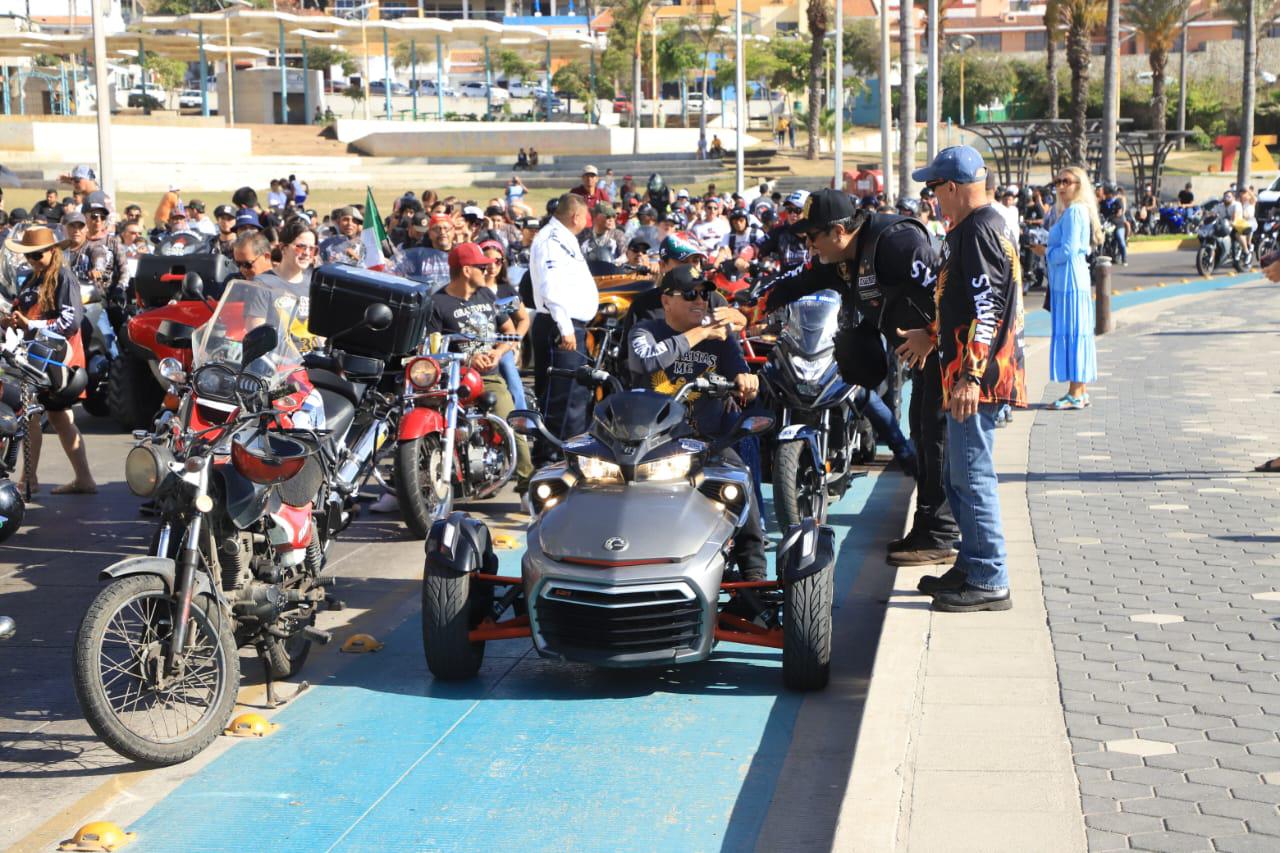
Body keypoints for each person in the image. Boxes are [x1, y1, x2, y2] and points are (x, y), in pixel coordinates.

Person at [766, 188, 950, 565]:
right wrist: (753, 307)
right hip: (921, 353)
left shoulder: (897, 242)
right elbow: (797, 282)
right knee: (922, 429)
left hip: (948, 351)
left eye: (812, 235)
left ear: (837, 231)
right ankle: (928, 527)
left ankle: (941, 535)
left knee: (937, 437)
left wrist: (931, 333)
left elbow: (949, 290)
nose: (808, 243)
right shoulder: (841, 257)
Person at [902, 145, 1026, 612]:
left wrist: (970, 376)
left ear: (952, 187)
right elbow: (964, 304)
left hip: (978, 381)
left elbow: (987, 311)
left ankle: (990, 576)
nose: (932, 198)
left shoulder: (979, 232)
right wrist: (931, 335)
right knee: (960, 477)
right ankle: (972, 565)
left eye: (933, 188)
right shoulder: (976, 230)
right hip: (968, 374)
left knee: (973, 479)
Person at [626, 265, 767, 583]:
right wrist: (702, 331)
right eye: (690, 294)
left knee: (739, 480)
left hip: (707, 444)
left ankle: (754, 576)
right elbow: (647, 361)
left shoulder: (721, 340)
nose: (701, 300)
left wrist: (747, 379)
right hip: (646, 445)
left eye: (705, 293)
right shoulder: (645, 331)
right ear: (666, 301)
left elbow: (740, 371)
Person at [426, 242, 532, 484]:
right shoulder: (437, 304)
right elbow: (432, 350)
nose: (487, 270)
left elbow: (509, 330)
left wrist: (499, 351)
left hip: (489, 377)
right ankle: (406, 485)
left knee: (513, 423)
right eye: (481, 266)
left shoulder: (488, 294)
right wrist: (468, 358)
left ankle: (528, 486)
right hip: (454, 378)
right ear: (466, 270)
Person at [2, 227, 96, 495]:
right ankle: (82, 479)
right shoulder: (32, 280)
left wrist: (31, 323)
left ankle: (30, 479)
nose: (33, 260)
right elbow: (20, 315)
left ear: (53, 251)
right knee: (57, 418)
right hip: (33, 359)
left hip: (56, 360)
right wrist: (11, 321)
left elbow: (71, 321)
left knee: (40, 415)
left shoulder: (64, 277)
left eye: (37, 255)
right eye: (29, 255)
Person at [529, 193, 597, 451]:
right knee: (558, 399)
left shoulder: (565, 238)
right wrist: (565, 328)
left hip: (570, 325)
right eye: (586, 217)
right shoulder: (551, 239)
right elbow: (551, 287)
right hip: (559, 326)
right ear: (576, 216)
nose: (587, 223)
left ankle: (571, 451)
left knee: (575, 396)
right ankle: (549, 456)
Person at [1037, 165, 1100, 411]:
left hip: (1070, 281)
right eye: (1058, 182)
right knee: (1078, 333)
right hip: (1071, 279)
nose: (1061, 186)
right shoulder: (1073, 211)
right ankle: (1079, 390)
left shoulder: (1074, 212)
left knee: (1073, 333)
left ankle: (1075, 392)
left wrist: (1045, 251)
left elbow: (1068, 250)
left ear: (1079, 184)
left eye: (1067, 181)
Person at [478, 238, 530, 412]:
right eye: (488, 260)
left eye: (498, 261)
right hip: (473, 346)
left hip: (501, 345)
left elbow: (523, 319)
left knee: (511, 375)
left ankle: (523, 421)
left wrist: (514, 342)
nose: (493, 266)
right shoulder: (471, 288)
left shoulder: (505, 290)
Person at [397, 213, 452, 291]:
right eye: (436, 229)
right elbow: (397, 274)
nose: (442, 232)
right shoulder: (418, 256)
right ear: (429, 233)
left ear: (453, 231)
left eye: (446, 228)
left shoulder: (460, 254)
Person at [1100, 183, 1127, 265]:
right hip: (1107, 224)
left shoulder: (1117, 201)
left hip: (1118, 224)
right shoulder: (1103, 203)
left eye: (1107, 194)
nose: (1106, 195)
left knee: (1120, 240)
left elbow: (1119, 212)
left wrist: (1112, 216)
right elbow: (1100, 211)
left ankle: (1124, 259)